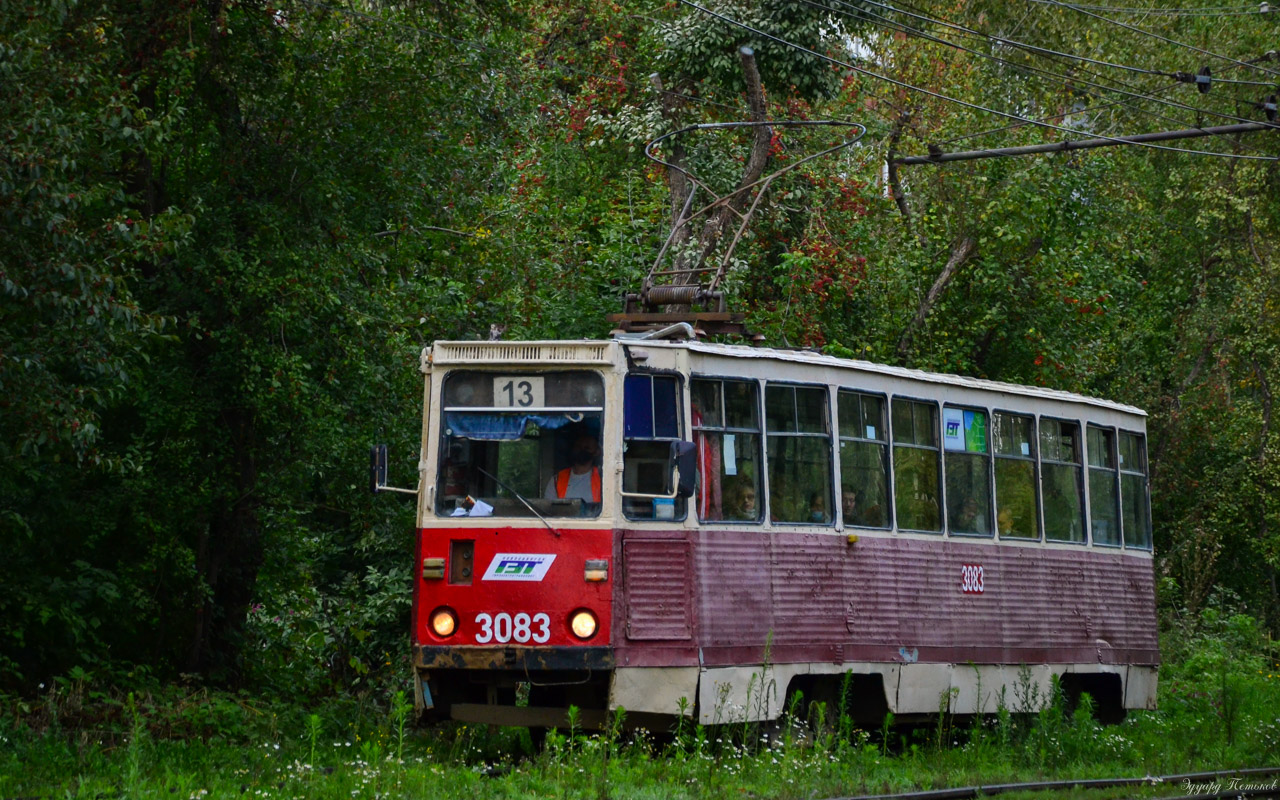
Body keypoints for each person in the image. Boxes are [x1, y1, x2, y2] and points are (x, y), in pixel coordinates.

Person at [544, 434, 601, 503]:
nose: (582, 450)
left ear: (597, 452)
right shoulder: (557, 480)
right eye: (578, 447)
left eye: (587, 448)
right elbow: (549, 509)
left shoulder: (603, 479)